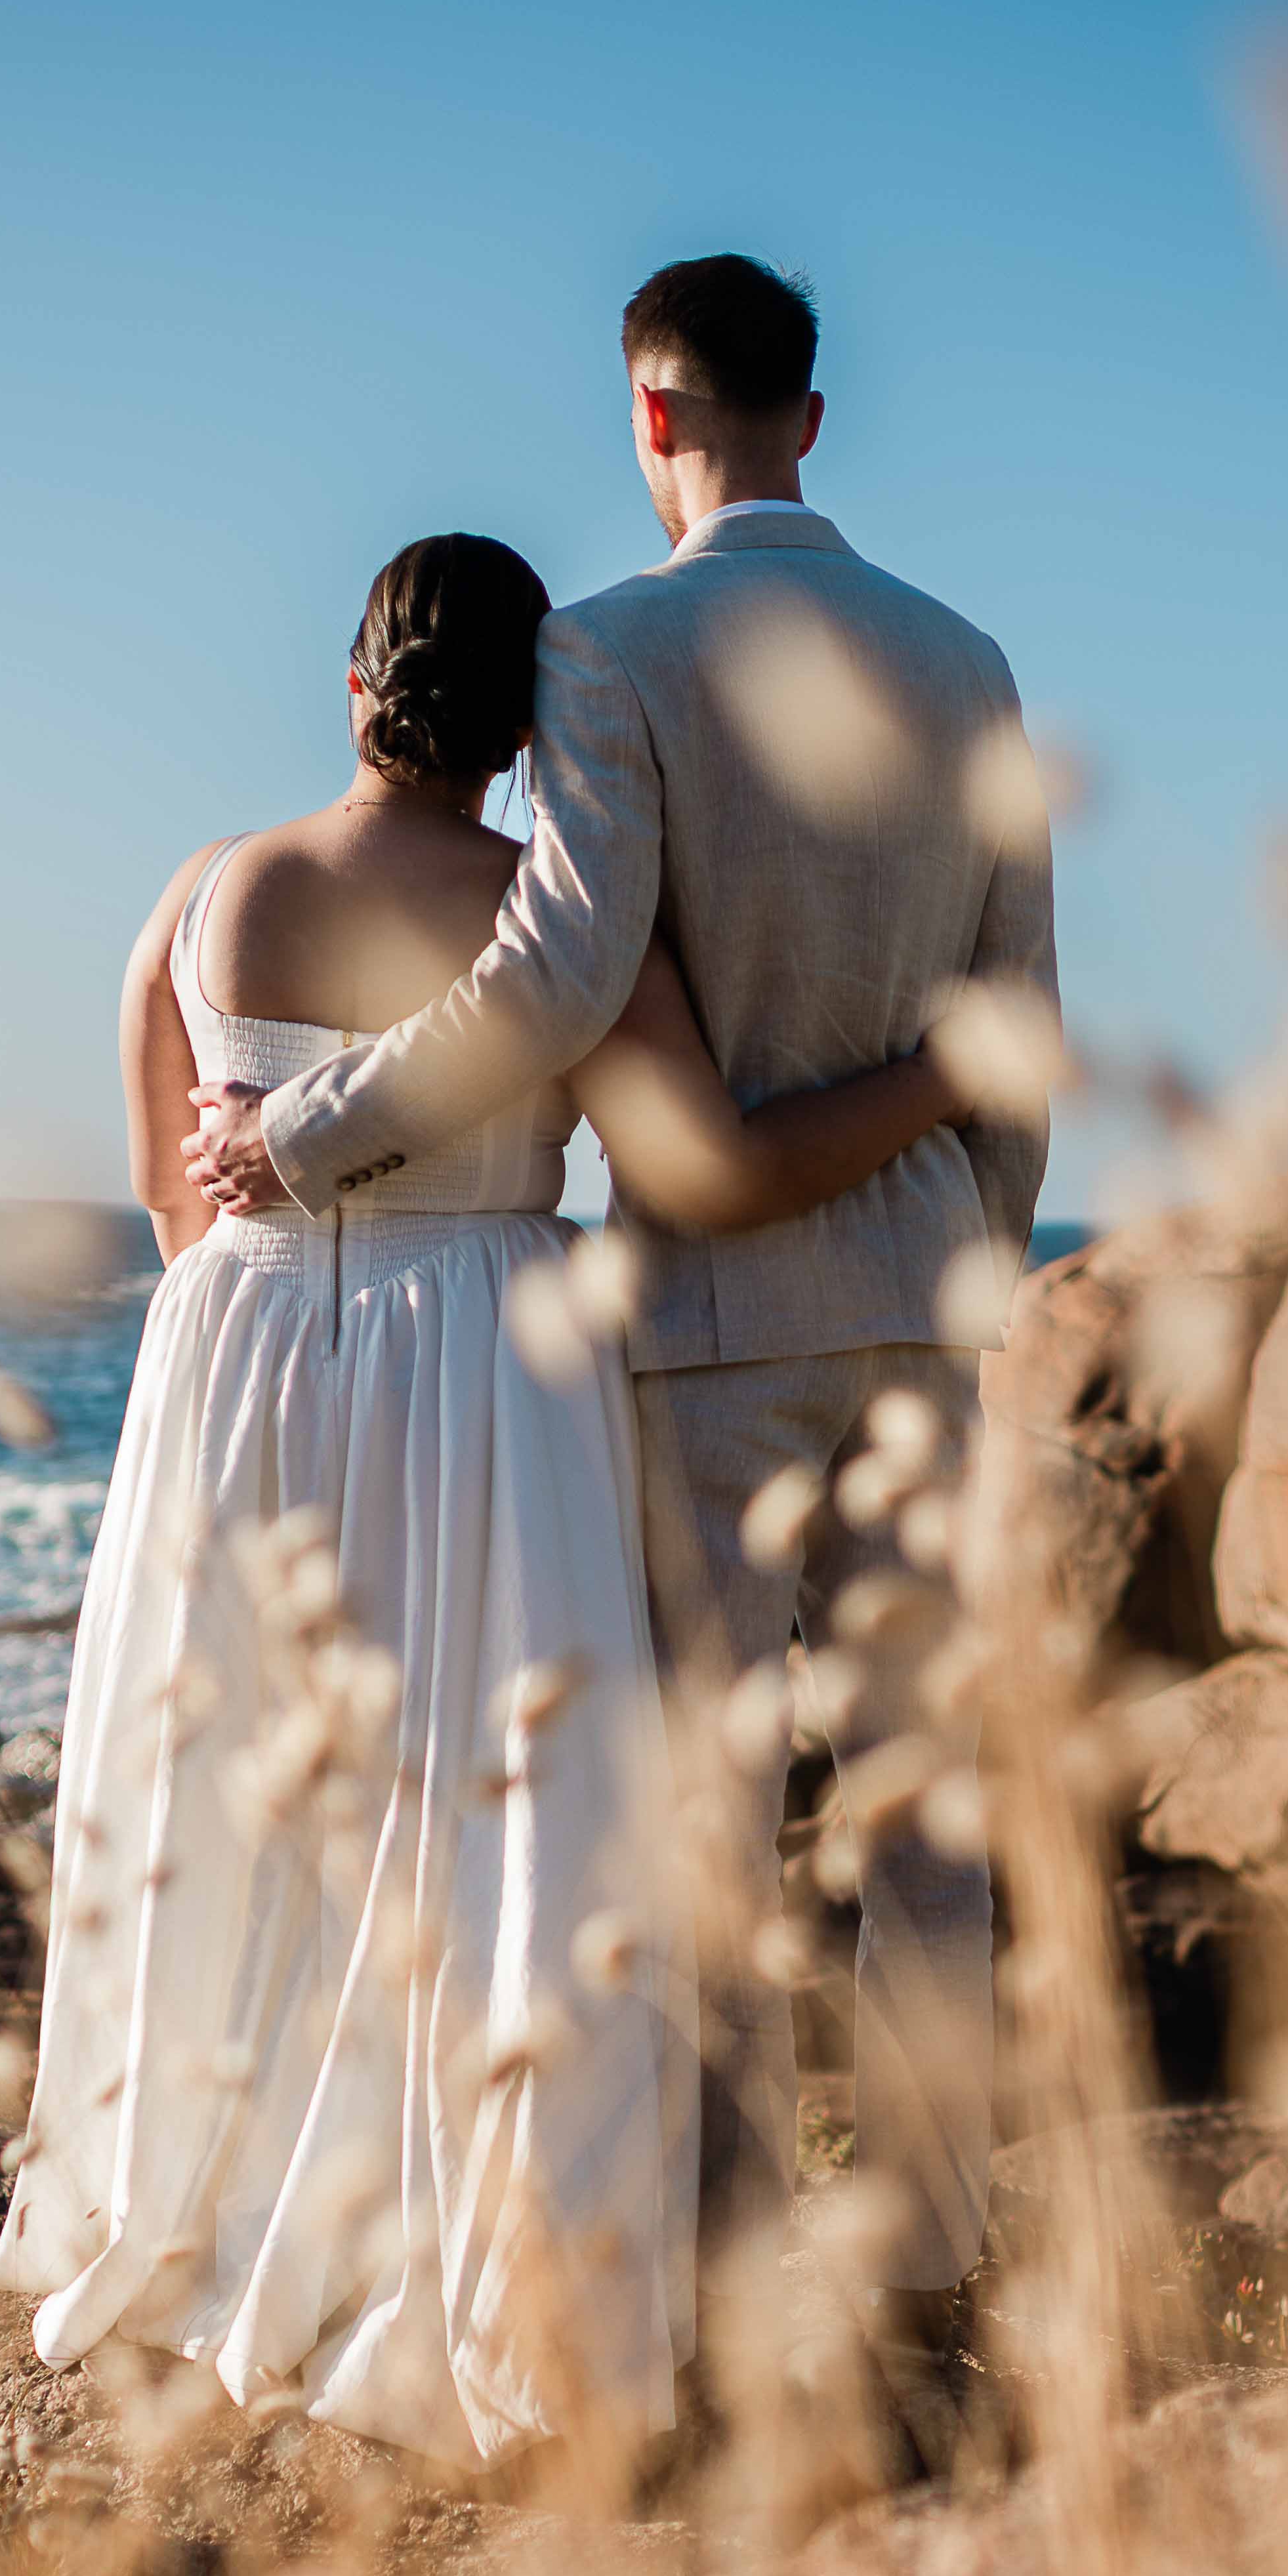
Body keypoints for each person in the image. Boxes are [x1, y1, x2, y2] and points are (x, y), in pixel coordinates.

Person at [0, 532, 976, 2461]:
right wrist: (943, 1071)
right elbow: (718, 1172)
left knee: (229, 1785)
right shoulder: (558, 918)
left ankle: (201, 2210)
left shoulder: (198, 895)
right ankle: (469, 2267)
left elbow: (175, 1205)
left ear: (354, 685)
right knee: (493, 1829)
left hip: (241, 1367)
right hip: (488, 1381)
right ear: (527, 722)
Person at [190, 255, 1058, 2415]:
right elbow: (1016, 1033)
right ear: (812, 419)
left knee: (696, 1823)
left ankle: (743, 2266)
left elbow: (558, 987)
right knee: (926, 1818)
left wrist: (303, 1133)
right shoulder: (969, 666)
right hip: (921, 1307)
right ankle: (941, 2266)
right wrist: (975, 1253)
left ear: (651, 417)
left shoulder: (606, 649)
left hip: (695, 1338)